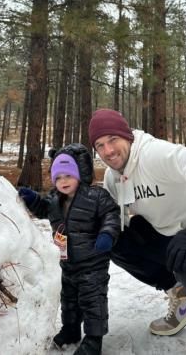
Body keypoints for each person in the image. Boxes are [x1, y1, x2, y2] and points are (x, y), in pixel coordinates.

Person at [88, 109, 186, 355]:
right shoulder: (113, 178)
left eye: (113, 140)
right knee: (115, 240)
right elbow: (111, 219)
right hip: (173, 236)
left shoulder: (154, 154)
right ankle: (182, 295)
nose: (108, 151)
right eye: (100, 145)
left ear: (127, 136)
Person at [18, 143, 121, 355]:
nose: (62, 181)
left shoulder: (96, 196)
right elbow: (43, 210)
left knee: (93, 300)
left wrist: (107, 234)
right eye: (58, 177)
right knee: (69, 299)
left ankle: (94, 339)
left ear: (80, 174)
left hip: (93, 262)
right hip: (66, 262)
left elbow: (111, 215)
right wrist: (33, 199)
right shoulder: (54, 199)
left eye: (68, 176)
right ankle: (71, 329)